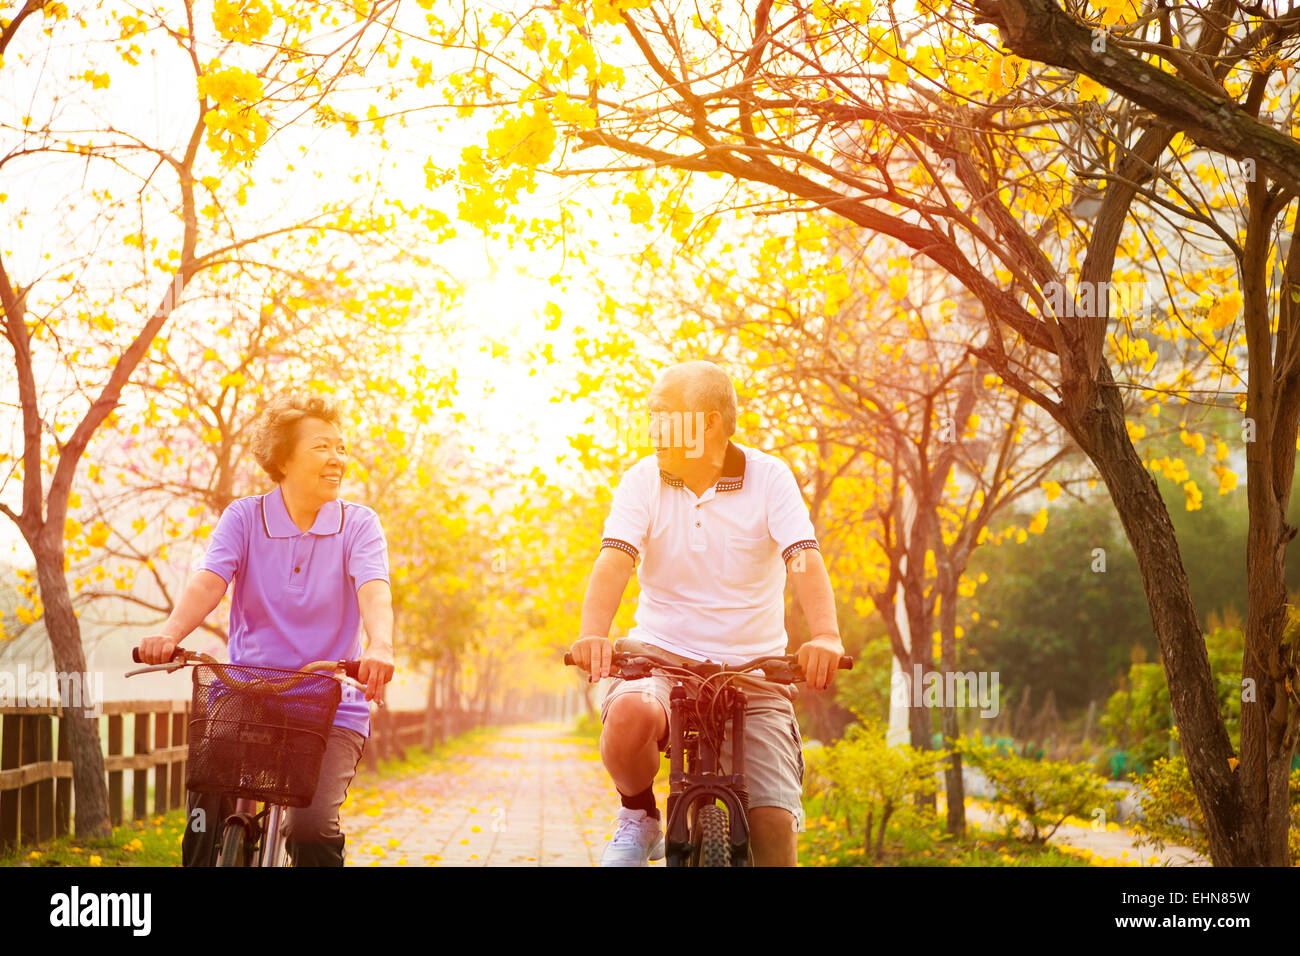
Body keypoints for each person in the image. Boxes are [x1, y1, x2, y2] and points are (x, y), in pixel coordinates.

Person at [569, 361, 844, 866]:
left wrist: (825, 635)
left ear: (710, 423)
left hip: (753, 674)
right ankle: (639, 815)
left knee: (774, 829)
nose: (652, 429)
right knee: (629, 711)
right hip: (660, 662)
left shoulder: (769, 478)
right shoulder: (643, 480)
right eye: (650, 416)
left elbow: (802, 558)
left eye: (664, 416)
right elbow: (614, 561)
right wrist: (593, 633)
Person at [138, 394, 395, 866]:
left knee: (310, 827)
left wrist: (380, 645)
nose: (338, 458)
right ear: (283, 457)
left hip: (330, 702)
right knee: (205, 809)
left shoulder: (359, 524)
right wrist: (170, 632)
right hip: (247, 694)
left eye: (340, 447)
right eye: (322, 447)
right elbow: (211, 579)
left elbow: (374, 589)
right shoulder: (244, 516)